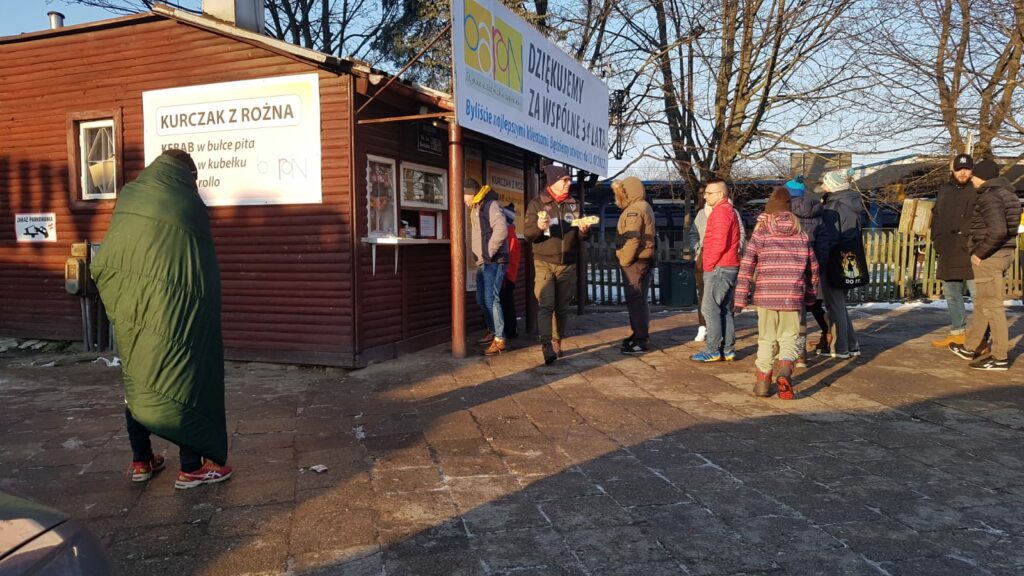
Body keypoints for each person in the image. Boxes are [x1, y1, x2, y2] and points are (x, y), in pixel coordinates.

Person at [91, 150, 232, 490]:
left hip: (134, 309)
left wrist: (124, 300)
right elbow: (199, 268)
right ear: (187, 174)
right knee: (184, 380)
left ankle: (141, 461)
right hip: (177, 311)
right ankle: (191, 468)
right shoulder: (187, 203)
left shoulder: (130, 197)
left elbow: (107, 260)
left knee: (139, 380)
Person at [734, 188, 819, 399]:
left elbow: (746, 267)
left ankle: (762, 382)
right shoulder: (802, 236)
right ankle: (785, 370)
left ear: (769, 211)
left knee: (766, 339)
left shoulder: (761, 235)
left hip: (766, 296)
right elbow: (813, 271)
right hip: (792, 296)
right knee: (789, 337)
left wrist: (740, 299)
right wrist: (809, 297)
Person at [949, 158, 1021, 371]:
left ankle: (999, 357)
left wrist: (980, 252)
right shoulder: (1009, 193)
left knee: (993, 306)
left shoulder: (990, 196)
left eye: (974, 175)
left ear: (983, 177)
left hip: (991, 256)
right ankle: (971, 347)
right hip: (1005, 253)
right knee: (983, 302)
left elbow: (997, 230)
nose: (971, 179)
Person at [524, 164, 591, 364]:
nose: (568, 183)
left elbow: (582, 236)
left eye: (569, 179)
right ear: (553, 182)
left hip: (568, 263)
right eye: (565, 180)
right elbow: (528, 235)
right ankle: (546, 345)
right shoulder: (537, 204)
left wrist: (585, 231)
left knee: (562, 308)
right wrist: (538, 226)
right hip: (544, 261)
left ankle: (557, 340)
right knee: (546, 305)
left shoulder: (574, 205)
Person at [817, 173, 867, 359]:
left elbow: (829, 237)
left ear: (833, 186)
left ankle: (841, 347)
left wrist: (821, 258)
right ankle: (852, 344)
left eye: (825, 183)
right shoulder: (851, 203)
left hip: (833, 258)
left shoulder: (834, 207)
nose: (822, 186)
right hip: (848, 258)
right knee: (839, 304)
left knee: (834, 305)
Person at [691, 178, 742, 362]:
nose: (705, 196)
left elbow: (717, 243)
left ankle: (713, 349)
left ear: (721, 194)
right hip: (728, 265)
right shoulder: (728, 211)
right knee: (723, 309)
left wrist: (708, 264)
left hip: (720, 266)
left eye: (709, 193)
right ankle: (728, 349)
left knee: (709, 309)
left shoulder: (720, 212)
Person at [930, 154, 978, 348]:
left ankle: (983, 335)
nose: (963, 172)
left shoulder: (977, 190)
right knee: (951, 293)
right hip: (948, 248)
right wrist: (937, 240)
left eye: (966, 169)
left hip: (971, 250)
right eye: (959, 169)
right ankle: (958, 331)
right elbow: (936, 216)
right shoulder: (944, 190)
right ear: (953, 169)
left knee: (978, 295)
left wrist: (969, 237)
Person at [787, 176, 829, 365]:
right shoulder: (818, 216)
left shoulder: (785, 215)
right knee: (802, 310)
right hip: (810, 268)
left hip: (788, 269)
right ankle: (801, 354)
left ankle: (786, 351)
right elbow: (824, 246)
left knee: (788, 312)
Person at [466, 179, 510, 356]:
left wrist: (488, 253)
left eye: (463, 195)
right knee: (481, 299)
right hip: (483, 261)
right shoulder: (476, 207)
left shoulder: (489, 204)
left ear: (470, 193)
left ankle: (500, 339)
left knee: (491, 299)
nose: (463, 200)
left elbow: (501, 230)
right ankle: (492, 330)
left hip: (494, 260)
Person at [613, 177, 656, 354]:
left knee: (636, 301)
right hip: (644, 259)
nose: (617, 197)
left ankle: (640, 339)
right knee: (640, 300)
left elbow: (633, 238)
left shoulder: (634, 210)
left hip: (635, 262)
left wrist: (624, 259)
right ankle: (639, 334)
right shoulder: (644, 206)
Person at [500, 203, 521, 340]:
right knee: (507, 303)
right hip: (509, 275)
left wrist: (505, 274)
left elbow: (510, 257)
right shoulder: (512, 234)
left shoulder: (509, 235)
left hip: (506, 275)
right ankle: (511, 331)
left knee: (506, 304)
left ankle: (511, 332)